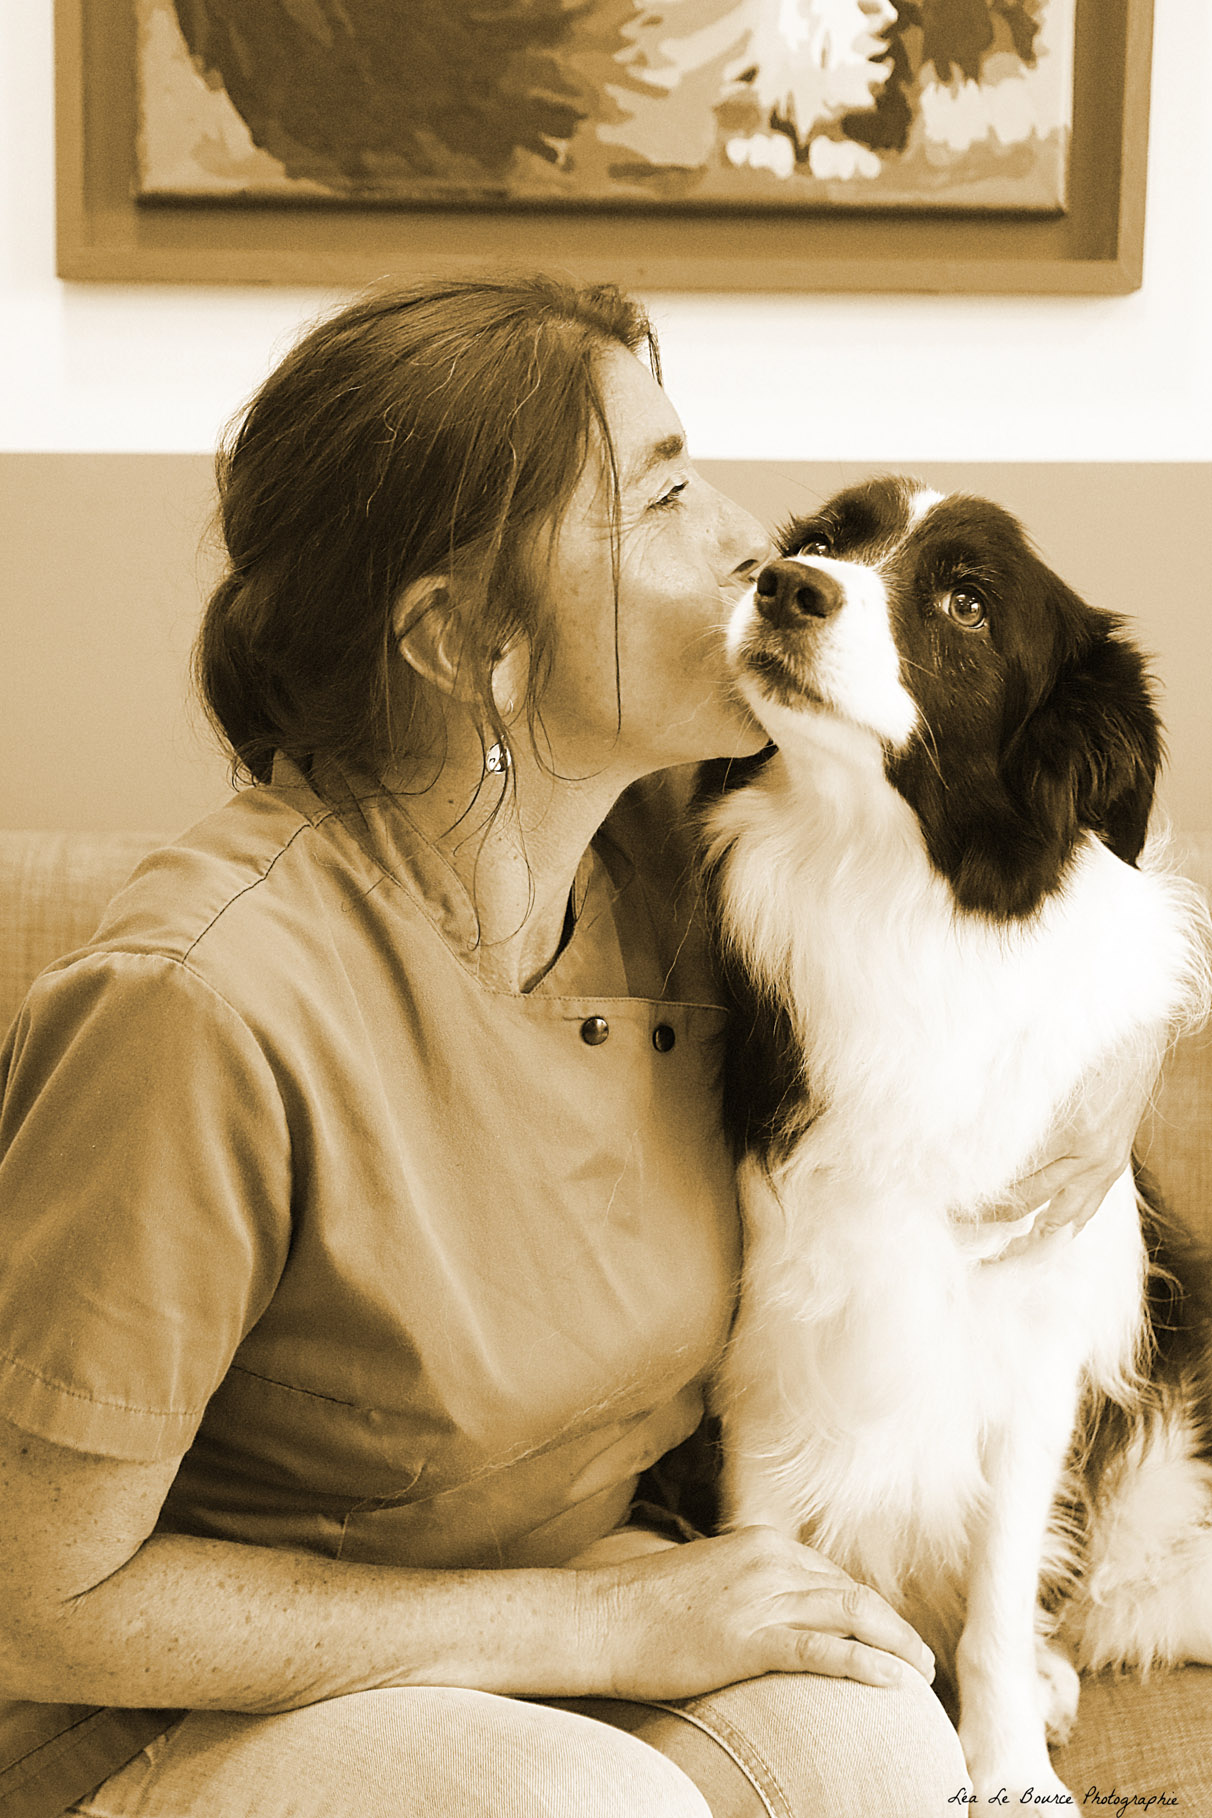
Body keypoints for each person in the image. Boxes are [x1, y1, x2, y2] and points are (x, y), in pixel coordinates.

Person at [0, 275, 1146, 1818]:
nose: (763, 544)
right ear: (468, 641)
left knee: (877, 1742)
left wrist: (1123, 1058)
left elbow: (1039, 870)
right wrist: (602, 1620)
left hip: (542, 1608)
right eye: (662, 495)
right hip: (174, 1697)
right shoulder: (193, 1005)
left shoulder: (676, 869)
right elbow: (39, 1597)